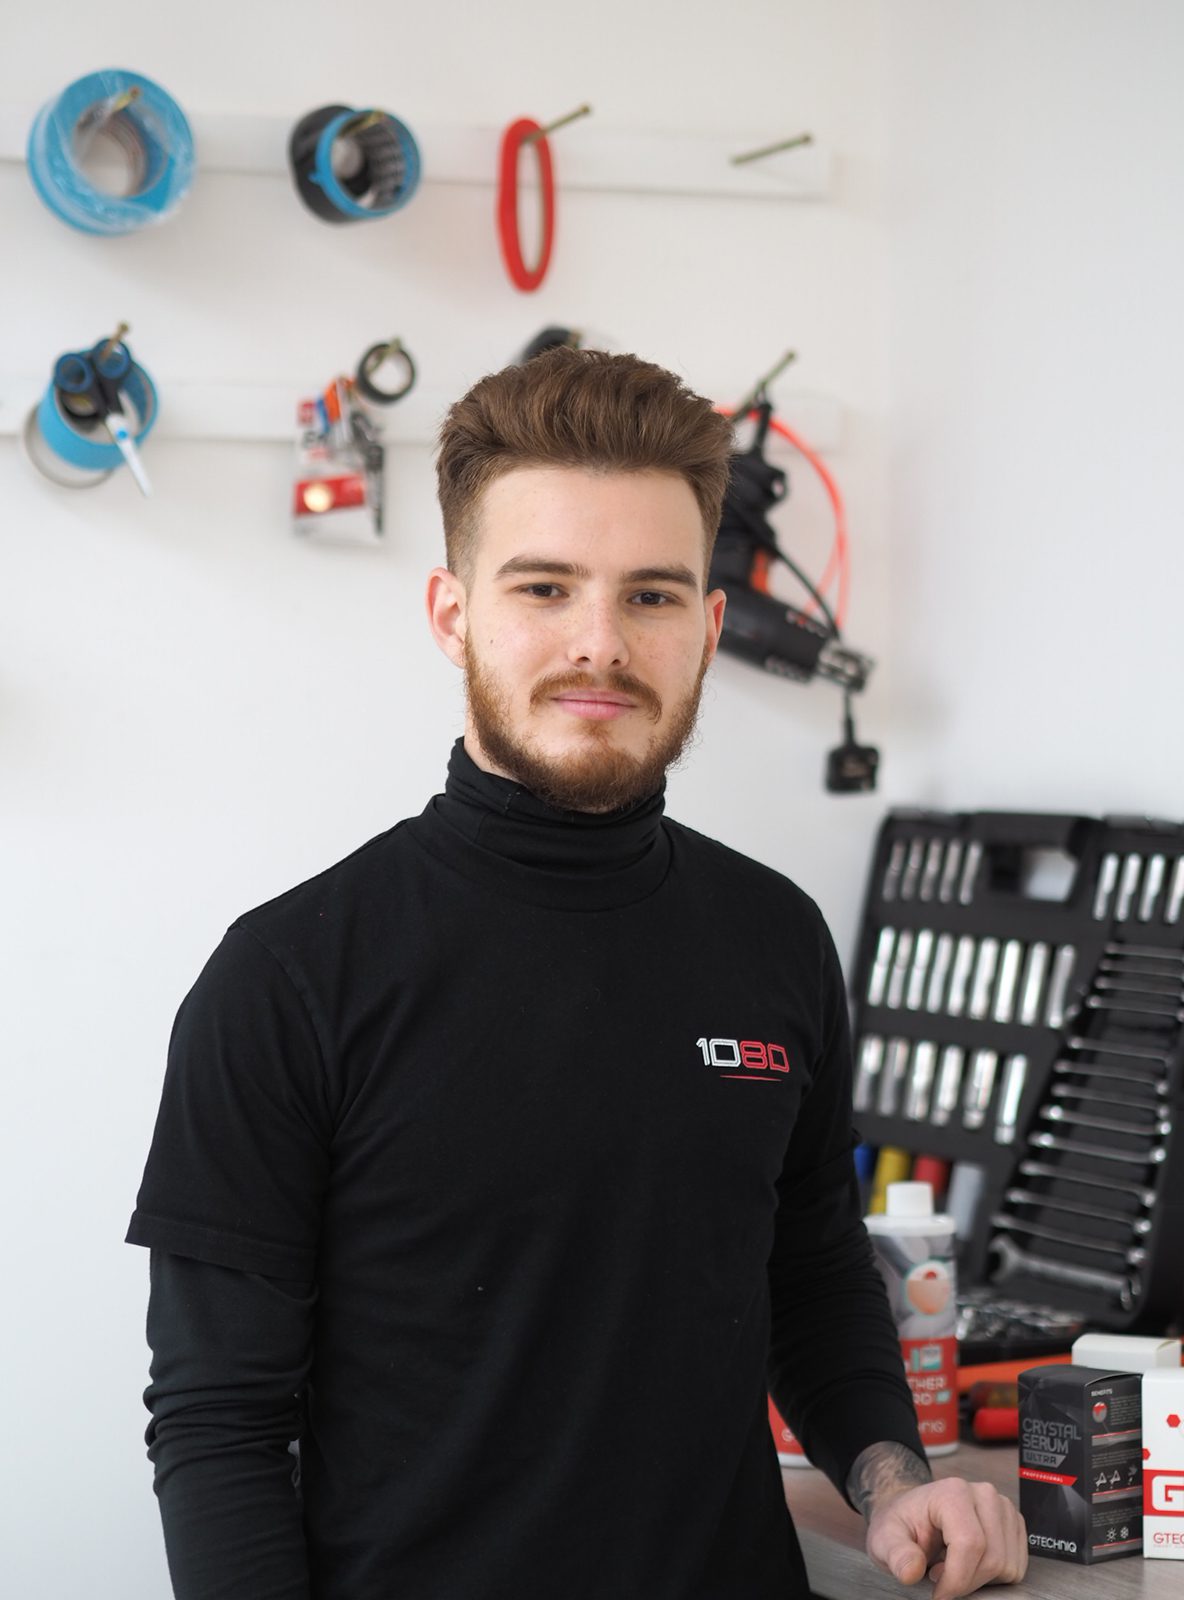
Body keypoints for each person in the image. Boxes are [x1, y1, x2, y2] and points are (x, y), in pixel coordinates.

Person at [126, 348, 1027, 1600]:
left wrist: (894, 1473)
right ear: (453, 614)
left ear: (708, 627)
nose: (599, 645)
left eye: (652, 596)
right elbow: (219, 1422)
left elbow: (811, 1269)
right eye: (544, 587)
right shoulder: (288, 977)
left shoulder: (775, 938)